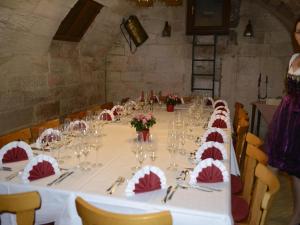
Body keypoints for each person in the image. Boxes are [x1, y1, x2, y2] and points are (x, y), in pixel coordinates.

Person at [266, 17, 300, 225]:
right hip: (286, 115)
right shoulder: (294, 58)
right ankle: (258, 207)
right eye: (297, 31)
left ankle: (297, 217)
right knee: (273, 162)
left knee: (297, 172)